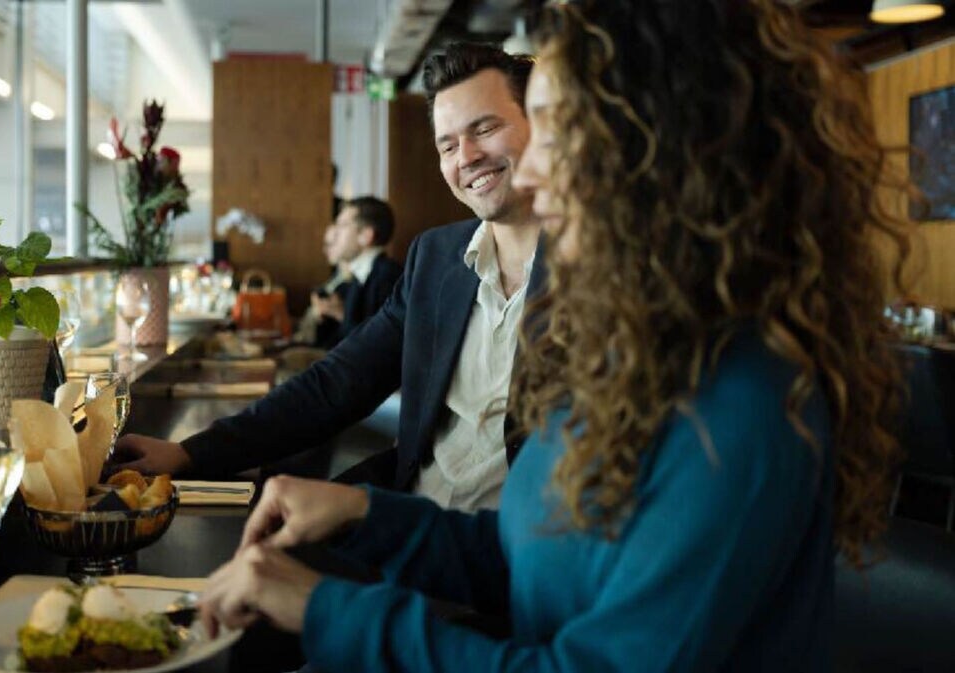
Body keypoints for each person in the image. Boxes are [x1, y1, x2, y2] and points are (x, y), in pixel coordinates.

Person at [194, 1, 909, 670]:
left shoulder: (742, 407)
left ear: (663, 150)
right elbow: (533, 557)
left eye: (555, 130)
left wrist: (329, 609)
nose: (531, 170)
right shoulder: (630, 346)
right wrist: (365, 513)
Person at [113, 43, 541, 510]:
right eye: (448, 144)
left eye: (485, 128)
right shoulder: (437, 258)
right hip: (408, 512)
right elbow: (339, 382)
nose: (467, 157)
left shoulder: (607, 274)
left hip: (509, 553)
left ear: (543, 127)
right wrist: (189, 453)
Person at [309, 196, 402, 348]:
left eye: (342, 225)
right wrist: (326, 315)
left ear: (365, 236)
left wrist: (342, 315)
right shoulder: (359, 275)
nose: (334, 233)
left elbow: (377, 347)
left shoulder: (388, 276)